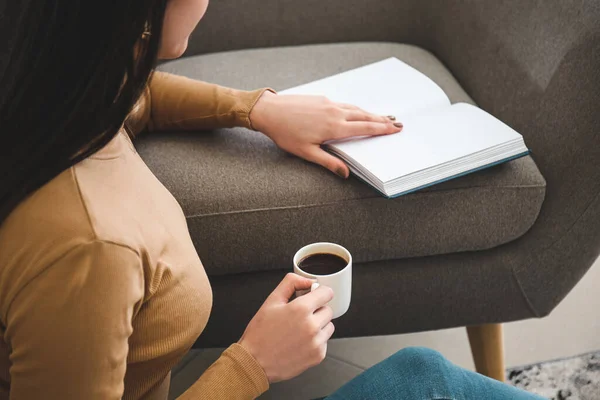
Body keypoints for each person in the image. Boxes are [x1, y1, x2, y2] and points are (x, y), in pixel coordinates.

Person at [0, 1, 544, 399]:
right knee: (427, 383)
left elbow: (134, 94)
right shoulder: (90, 248)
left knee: (425, 374)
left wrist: (256, 110)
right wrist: (251, 364)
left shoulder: (51, 95)